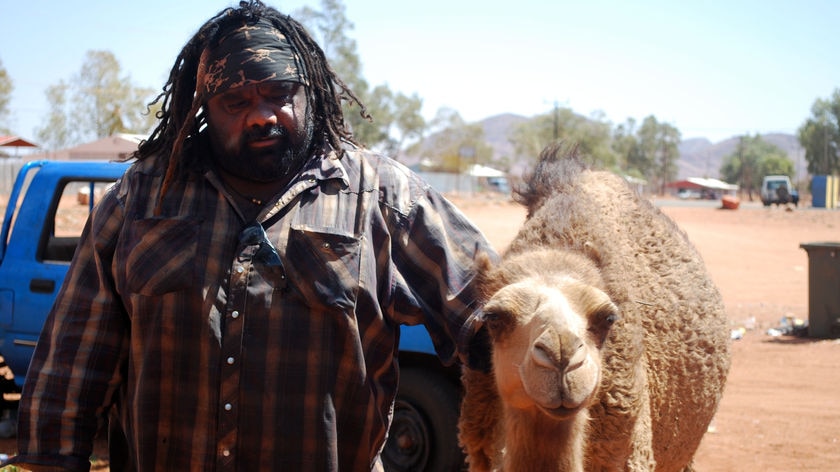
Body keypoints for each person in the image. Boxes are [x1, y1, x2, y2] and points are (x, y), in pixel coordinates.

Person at [7, 1, 496, 470]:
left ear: (311, 90)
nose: (261, 115)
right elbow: (74, 354)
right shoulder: (143, 198)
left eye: (279, 93)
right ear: (204, 108)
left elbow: (494, 314)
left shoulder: (384, 199)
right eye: (235, 101)